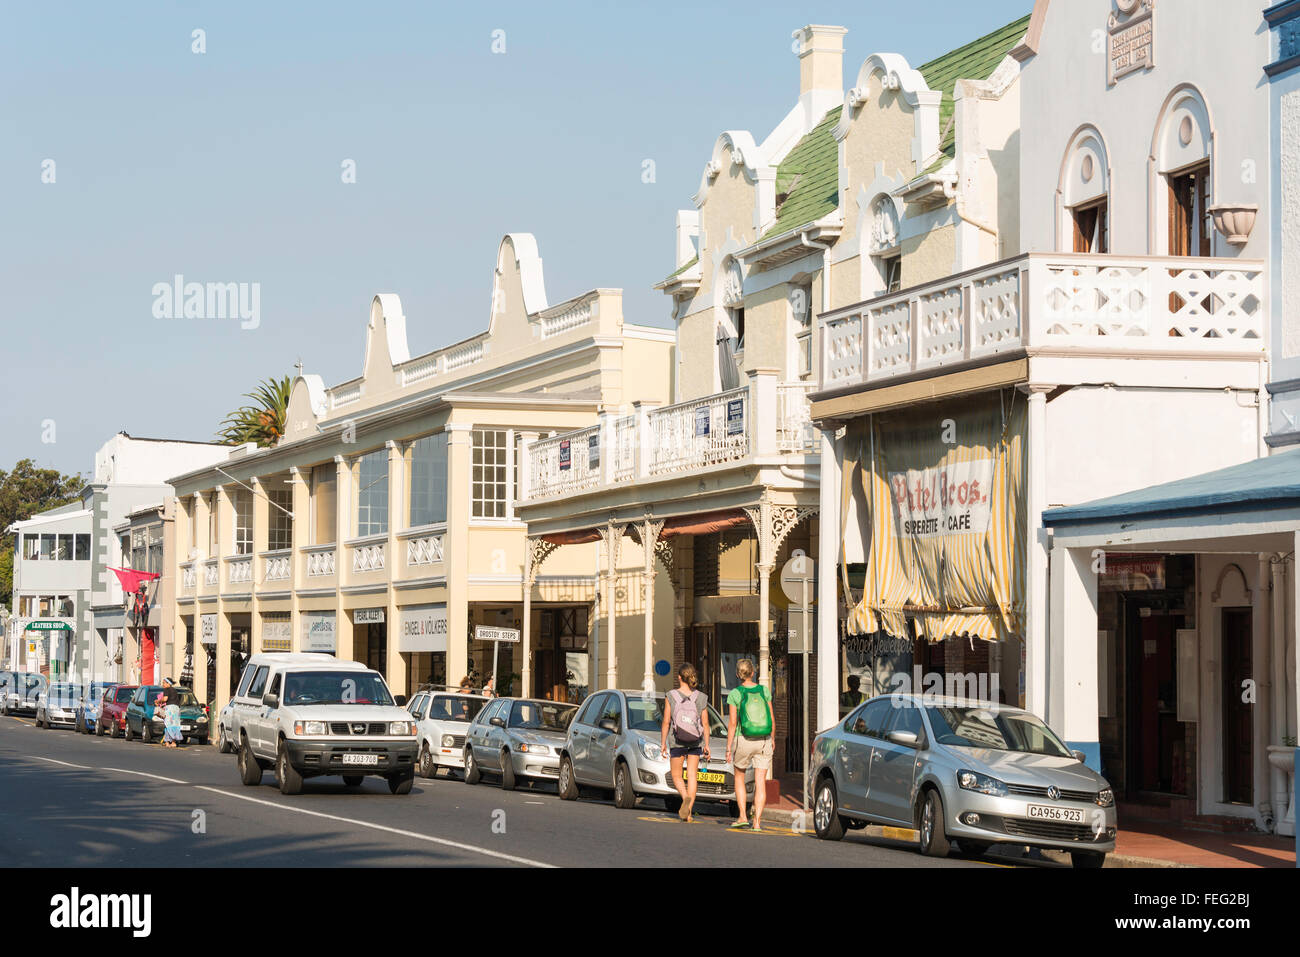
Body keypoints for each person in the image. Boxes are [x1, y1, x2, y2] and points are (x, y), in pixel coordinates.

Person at [726, 657, 775, 831]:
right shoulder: (764, 690)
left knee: (739, 777)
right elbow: (771, 716)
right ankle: (758, 822)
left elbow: (732, 723)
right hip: (763, 740)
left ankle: (742, 816)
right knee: (760, 781)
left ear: (738, 674)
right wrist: (773, 738)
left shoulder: (735, 694)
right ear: (753, 673)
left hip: (743, 739)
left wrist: (728, 746)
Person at [660, 664, 710, 823]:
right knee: (693, 776)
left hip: (677, 740)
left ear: (679, 677)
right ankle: (688, 811)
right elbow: (706, 723)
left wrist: (663, 743)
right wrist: (706, 745)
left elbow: (666, 721)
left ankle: (685, 798)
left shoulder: (671, 695)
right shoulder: (701, 697)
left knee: (676, 775)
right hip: (695, 740)